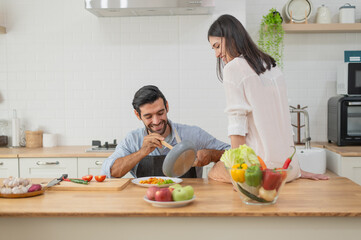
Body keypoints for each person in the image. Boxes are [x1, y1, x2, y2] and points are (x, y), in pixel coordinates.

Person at [205, 14, 329, 182]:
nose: (216, 54)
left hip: (260, 169)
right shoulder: (270, 65)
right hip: (286, 169)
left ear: (231, 38)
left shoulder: (233, 67)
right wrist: (297, 170)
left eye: (217, 46)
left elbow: (237, 125)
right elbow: (284, 122)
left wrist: (239, 175)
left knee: (213, 171)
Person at [101, 85, 230, 178]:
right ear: (137, 115)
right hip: (144, 202)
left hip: (187, 200)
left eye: (160, 113)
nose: (156, 121)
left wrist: (212, 155)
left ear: (167, 106)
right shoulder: (132, 140)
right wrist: (141, 152)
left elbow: (234, 152)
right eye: (148, 116)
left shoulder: (192, 134)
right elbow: (110, 171)